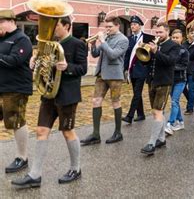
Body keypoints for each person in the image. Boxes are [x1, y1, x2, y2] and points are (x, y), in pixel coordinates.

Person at [12, 17, 87, 188]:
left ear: (66, 26)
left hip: (67, 95)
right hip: (48, 93)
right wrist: (34, 63)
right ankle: (35, 175)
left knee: (67, 132)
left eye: (57, 25)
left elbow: (82, 68)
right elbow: (42, 66)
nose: (53, 29)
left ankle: (76, 169)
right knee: (41, 131)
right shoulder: (49, 44)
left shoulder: (77, 44)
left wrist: (67, 67)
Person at [81, 16, 129, 146]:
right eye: (106, 27)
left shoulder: (123, 40)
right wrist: (92, 44)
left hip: (115, 75)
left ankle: (118, 132)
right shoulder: (106, 38)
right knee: (96, 101)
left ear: (117, 25)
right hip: (101, 74)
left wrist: (102, 41)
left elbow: (113, 55)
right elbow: (96, 54)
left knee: (115, 102)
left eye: (110, 27)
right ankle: (95, 134)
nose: (107, 29)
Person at [0, 9, 33, 174]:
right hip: (2, 86)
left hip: (16, 88)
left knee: (16, 121)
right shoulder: (3, 39)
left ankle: (22, 157)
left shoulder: (22, 39)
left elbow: (15, 61)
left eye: (0, 22)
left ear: (10, 21)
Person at [141, 23, 180, 155]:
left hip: (164, 82)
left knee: (158, 111)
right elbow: (147, 62)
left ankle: (152, 143)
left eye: (160, 33)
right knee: (156, 112)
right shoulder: (154, 43)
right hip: (152, 81)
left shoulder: (174, 46)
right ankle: (162, 138)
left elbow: (170, 61)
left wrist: (156, 51)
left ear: (167, 32)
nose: (157, 35)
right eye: (156, 32)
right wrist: (143, 53)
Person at [122, 16, 153, 124]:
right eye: (131, 25)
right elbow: (127, 55)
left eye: (135, 24)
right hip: (132, 69)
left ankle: (130, 116)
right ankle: (141, 114)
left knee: (137, 93)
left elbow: (151, 54)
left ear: (140, 26)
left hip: (143, 69)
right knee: (136, 92)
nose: (132, 26)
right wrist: (125, 69)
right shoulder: (129, 39)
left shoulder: (147, 38)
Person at [164, 29, 189, 135]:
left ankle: (170, 123)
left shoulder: (184, 51)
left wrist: (170, 66)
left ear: (181, 38)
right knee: (175, 102)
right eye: (173, 37)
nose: (174, 40)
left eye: (177, 38)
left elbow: (184, 66)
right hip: (170, 79)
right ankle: (181, 122)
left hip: (180, 80)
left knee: (174, 101)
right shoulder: (168, 50)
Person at [182, 28, 194, 115]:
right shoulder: (184, 44)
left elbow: (191, 56)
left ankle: (190, 108)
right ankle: (190, 100)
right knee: (182, 88)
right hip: (184, 69)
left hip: (193, 70)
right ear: (187, 35)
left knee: (191, 89)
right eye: (192, 33)